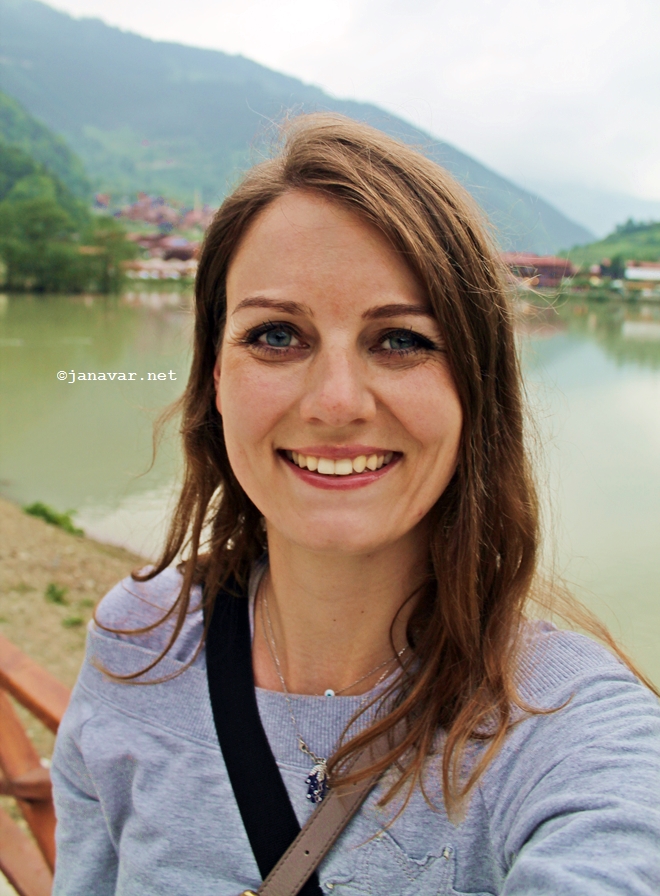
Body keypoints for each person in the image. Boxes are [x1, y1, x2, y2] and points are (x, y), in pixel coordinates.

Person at [52, 115, 660, 896]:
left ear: (477, 388)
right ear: (216, 379)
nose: (336, 403)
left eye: (401, 341)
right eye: (276, 335)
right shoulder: (139, 642)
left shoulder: (576, 738)